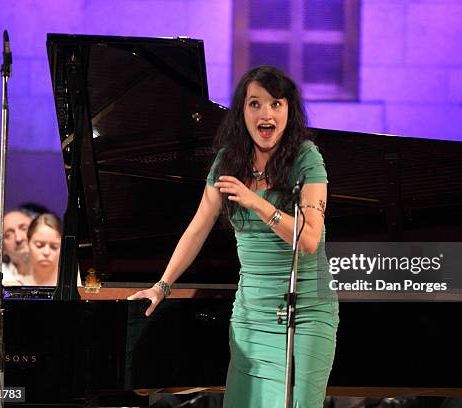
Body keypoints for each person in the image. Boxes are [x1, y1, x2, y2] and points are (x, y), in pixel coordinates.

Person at [128, 65, 339, 407]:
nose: (265, 113)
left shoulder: (306, 159)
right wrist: (162, 285)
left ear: (289, 111)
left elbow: (310, 240)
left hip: (304, 313)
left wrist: (256, 202)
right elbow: (198, 228)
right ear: (242, 111)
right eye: (255, 104)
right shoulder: (230, 161)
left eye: (275, 104)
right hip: (251, 313)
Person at [0, 207, 37, 285]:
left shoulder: (59, 275)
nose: (19, 238)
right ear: (3, 248)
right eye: (8, 235)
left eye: (24, 228)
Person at [21, 213, 62, 286]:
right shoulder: (14, 286)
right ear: (27, 243)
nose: (46, 252)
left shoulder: (79, 286)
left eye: (54, 247)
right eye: (39, 245)